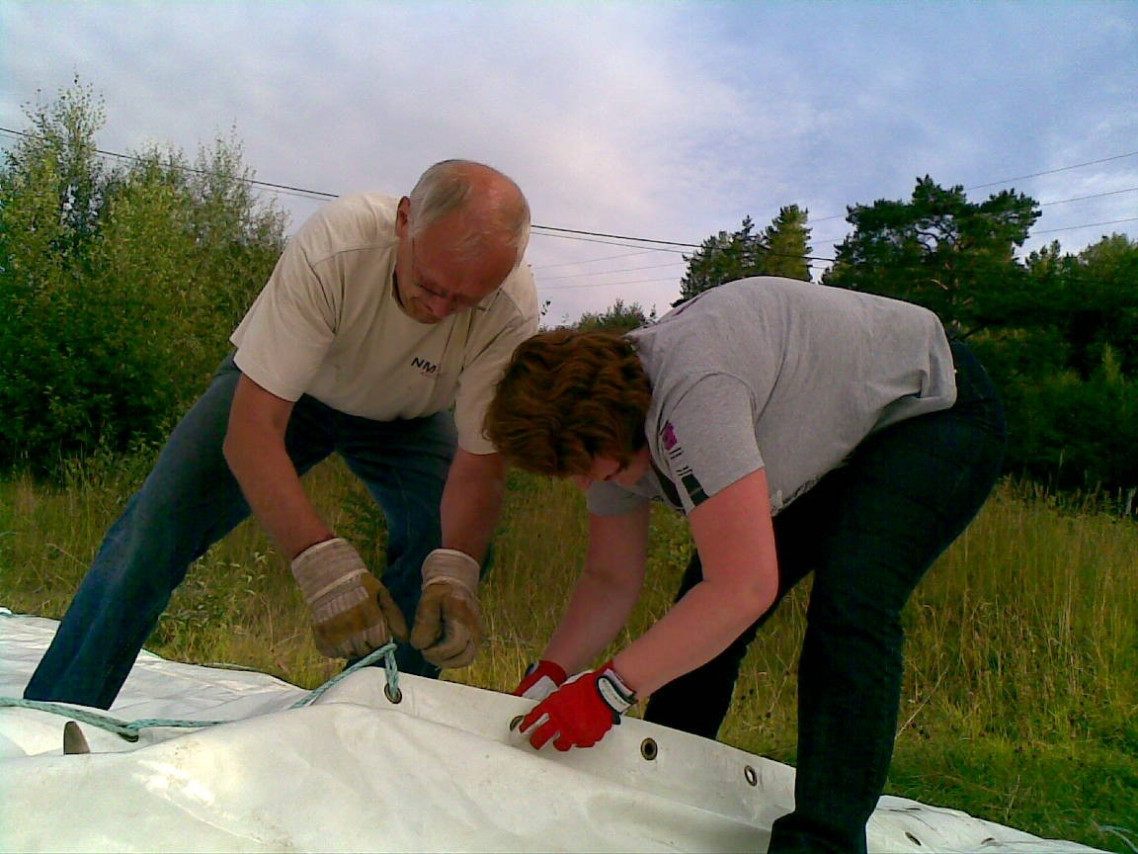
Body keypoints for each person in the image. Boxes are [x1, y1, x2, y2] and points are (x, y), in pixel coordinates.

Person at [485, 277, 1006, 854]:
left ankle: (822, 842)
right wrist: (551, 673)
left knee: (851, 600)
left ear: (608, 425)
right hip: (832, 435)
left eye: (584, 466)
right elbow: (610, 579)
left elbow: (744, 587)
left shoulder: (694, 394)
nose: (584, 483)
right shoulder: (607, 426)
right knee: (697, 620)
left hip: (931, 405)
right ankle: (662, 798)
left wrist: (608, 693)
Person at [24, 159, 539, 710]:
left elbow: (480, 464)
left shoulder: (510, 307)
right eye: (429, 285)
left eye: (463, 301)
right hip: (288, 395)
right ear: (404, 221)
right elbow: (251, 433)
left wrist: (458, 571)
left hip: (407, 420)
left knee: (448, 549)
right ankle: (60, 709)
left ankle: (365, 723)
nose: (439, 310)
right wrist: (322, 566)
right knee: (154, 530)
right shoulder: (337, 245)